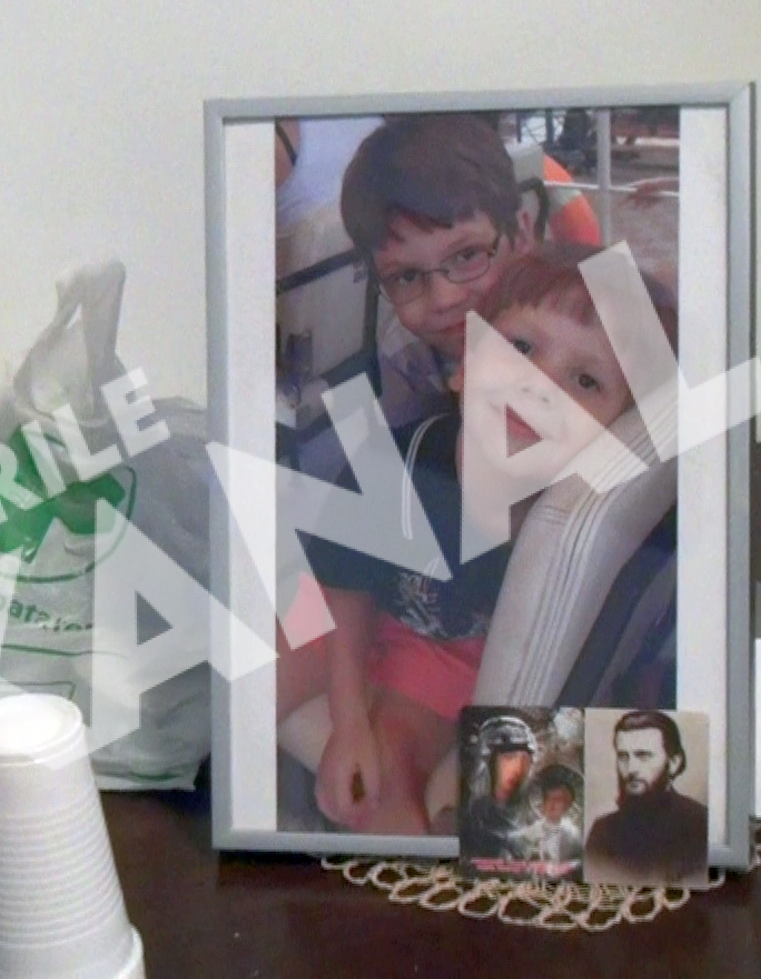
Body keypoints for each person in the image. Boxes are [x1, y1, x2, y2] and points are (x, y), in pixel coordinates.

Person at [278, 241, 676, 836]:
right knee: (256, 661)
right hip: (343, 615)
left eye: (586, 380)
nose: (540, 386)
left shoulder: (575, 530)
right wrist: (349, 720)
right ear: (464, 364)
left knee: (417, 791)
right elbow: (342, 596)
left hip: (450, 652)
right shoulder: (390, 464)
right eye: (521, 348)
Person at [339, 113, 534, 428]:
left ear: (522, 237)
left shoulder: (593, 323)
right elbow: (407, 453)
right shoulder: (406, 355)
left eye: (467, 255)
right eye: (407, 276)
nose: (444, 299)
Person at [585, 710, 708, 887]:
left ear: (674, 763)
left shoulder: (700, 824)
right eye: (623, 756)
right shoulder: (603, 830)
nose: (631, 769)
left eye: (643, 756)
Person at [461, 715, 538, 859]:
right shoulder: (466, 825)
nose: (518, 768)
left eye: (524, 759)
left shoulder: (541, 829)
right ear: (487, 763)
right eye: (509, 757)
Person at [512, 762, 582, 866]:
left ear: (567, 805)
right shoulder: (532, 831)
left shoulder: (573, 835)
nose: (552, 804)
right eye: (548, 799)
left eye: (558, 800)